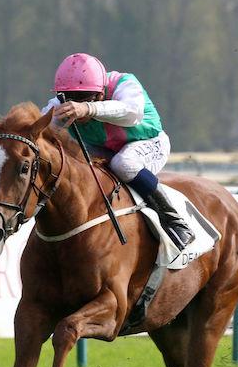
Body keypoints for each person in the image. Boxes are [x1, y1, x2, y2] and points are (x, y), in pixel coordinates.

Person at [42, 53, 194, 249]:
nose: (74, 103)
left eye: (83, 97)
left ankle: (175, 221)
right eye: (69, 98)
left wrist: (87, 109)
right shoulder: (61, 103)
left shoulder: (125, 83)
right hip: (104, 149)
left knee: (123, 164)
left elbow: (132, 113)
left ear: (100, 92)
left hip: (148, 142)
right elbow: (38, 127)